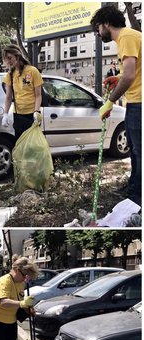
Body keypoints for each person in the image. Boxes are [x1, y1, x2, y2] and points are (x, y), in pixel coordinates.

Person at [91, 5, 142, 206]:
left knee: (139, 150)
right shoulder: (129, 37)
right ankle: (134, 188)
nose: (97, 32)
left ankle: (137, 198)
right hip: (135, 102)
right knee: (135, 150)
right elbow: (132, 73)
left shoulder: (126, 37)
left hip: (139, 103)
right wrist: (117, 78)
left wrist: (110, 102)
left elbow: (130, 76)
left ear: (106, 23)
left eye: (97, 27)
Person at [1, 44, 43, 141]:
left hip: (32, 115)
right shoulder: (10, 75)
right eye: (6, 59)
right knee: (20, 146)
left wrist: (36, 111)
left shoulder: (32, 71)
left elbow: (38, 95)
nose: (8, 61)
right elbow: (8, 97)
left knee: (32, 146)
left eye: (9, 58)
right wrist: (5, 114)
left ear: (17, 56)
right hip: (18, 115)